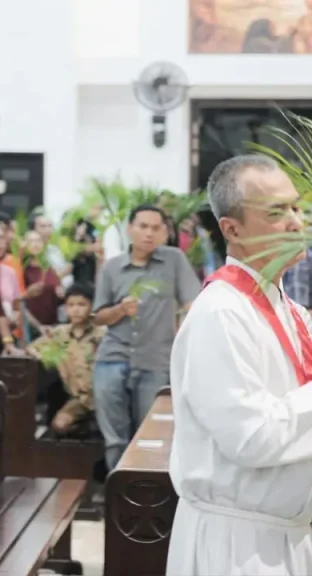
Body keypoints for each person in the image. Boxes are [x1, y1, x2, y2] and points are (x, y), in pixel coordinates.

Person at [167, 155, 312, 575]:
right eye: (276, 212)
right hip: (237, 547)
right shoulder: (221, 313)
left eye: (296, 207)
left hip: (286, 536)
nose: (296, 223)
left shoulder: (287, 309)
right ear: (232, 229)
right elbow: (252, 437)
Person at [92, 204, 201, 470]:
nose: (149, 233)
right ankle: (117, 491)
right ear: (130, 229)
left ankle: (144, 491)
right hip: (112, 359)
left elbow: (194, 304)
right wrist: (120, 310)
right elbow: (98, 316)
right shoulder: (112, 267)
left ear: (164, 232)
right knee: (115, 439)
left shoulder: (174, 260)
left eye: (155, 228)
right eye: (143, 226)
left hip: (155, 360)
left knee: (152, 434)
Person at [26, 282, 104, 435]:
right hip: (78, 399)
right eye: (71, 305)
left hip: (102, 396)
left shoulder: (101, 334)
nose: (76, 310)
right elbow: (31, 348)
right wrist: (46, 358)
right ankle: (84, 431)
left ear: (92, 306)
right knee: (60, 425)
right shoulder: (59, 333)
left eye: (82, 304)